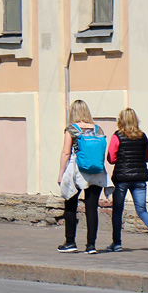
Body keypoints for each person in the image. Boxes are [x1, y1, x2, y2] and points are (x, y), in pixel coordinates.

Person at [58, 99, 110, 254]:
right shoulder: (98, 129)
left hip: (77, 170)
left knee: (70, 203)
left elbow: (66, 152)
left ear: (73, 112)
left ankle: (70, 242)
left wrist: (61, 174)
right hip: (96, 170)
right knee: (92, 207)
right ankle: (91, 245)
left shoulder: (71, 129)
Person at [105, 107, 148, 252]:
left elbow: (111, 158)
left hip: (121, 178)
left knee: (118, 211)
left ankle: (117, 243)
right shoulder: (142, 136)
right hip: (140, 178)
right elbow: (146, 157)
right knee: (142, 210)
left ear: (121, 120)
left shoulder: (117, 136)